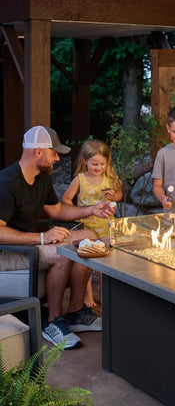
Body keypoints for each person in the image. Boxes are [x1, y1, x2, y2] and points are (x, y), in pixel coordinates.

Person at [0, 126, 117, 349]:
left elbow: (57, 211)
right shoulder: (7, 182)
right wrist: (43, 238)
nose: (57, 158)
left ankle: (75, 313)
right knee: (63, 253)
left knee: (90, 237)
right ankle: (53, 321)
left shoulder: (41, 178)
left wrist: (93, 209)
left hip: (29, 245)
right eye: (54, 153)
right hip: (8, 253)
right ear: (38, 152)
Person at [62, 140, 123, 307]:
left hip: (106, 229)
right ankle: (87, 296)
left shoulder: (109, 178)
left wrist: (114, 196)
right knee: (86, 265)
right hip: (87, 229)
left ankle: (104, 295)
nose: (98, 168)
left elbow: (119, 195)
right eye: (94, 164)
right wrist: (74, 211)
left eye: (102, 164)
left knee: (104, 266)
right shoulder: (80, 179)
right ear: (84, 161)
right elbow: (66, 199)